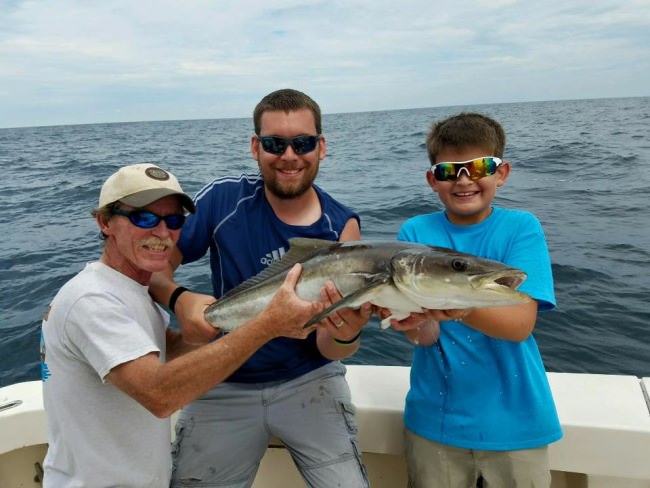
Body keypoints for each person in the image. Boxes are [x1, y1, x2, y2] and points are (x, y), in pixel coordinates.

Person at [40, 162, 324, 488]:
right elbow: (160, 394)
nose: (162, 233)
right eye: (143, 218)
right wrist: (267, 325)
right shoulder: (91, 300)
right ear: (105, 222)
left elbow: (165, 351)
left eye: (173, 220)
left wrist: (209, 329)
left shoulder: (130, 290)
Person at [149, 88, 373, 488]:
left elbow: (329, 347)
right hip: (223, 377)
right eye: (275, 144)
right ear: (256, 147)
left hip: (311, 379)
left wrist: (347, 332)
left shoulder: (341, 227)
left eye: (302, 143)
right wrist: (178, 300)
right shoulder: (223, 200)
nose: (289, 156)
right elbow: (155, 268)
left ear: (321, 147)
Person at [392, 113, 562, 487]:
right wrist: (414, 320)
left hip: (516, 421)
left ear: (501, 172)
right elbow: (424, 337)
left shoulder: (521, 228)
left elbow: (520, 325)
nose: (465, 179)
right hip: (434, 421)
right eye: (449, 170)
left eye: (480, 166)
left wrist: (458, 307)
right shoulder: (415, 232)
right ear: (433, 179)